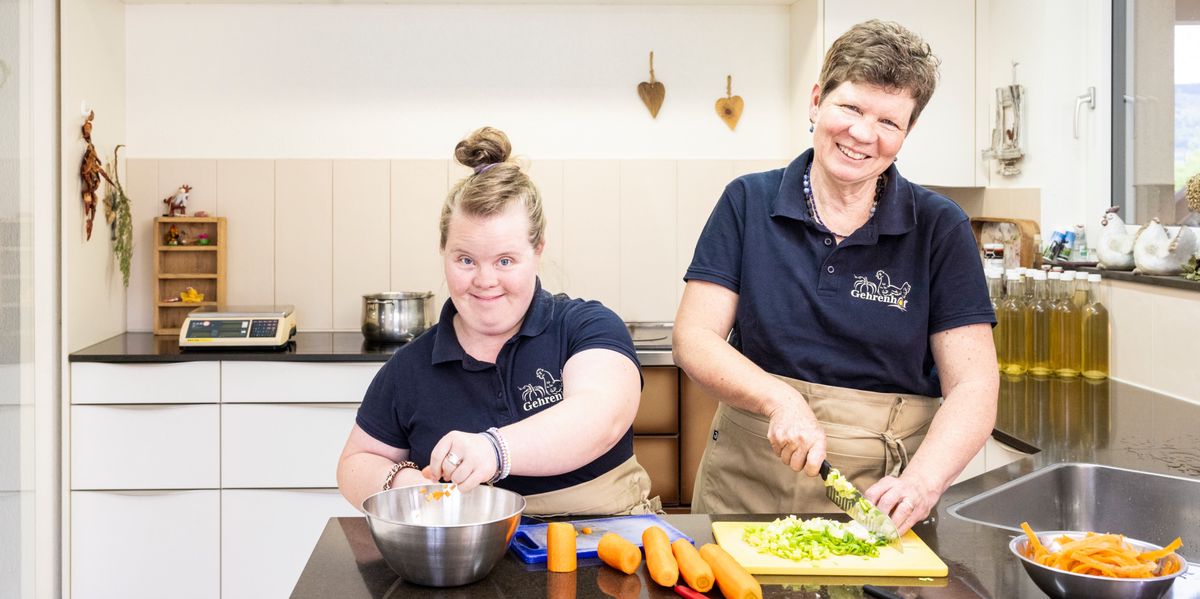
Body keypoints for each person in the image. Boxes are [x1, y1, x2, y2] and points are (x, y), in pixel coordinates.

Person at [675, 20, 998, 534]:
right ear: (816, 102)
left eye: (889, 122)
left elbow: (974, 385)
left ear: (906, 133)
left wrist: (922, 483)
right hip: (744, 481)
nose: (864, 134)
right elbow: (694, 338)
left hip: (878, 503)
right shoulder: (747, 202)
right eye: (850, 107)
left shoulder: (941, 227)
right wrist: (779, 399)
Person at [337, 127, 659, 516]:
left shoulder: (586, 328)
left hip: (605, 550)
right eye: (465, 260)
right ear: (444, 251)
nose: (485, 281)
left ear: (537, 249)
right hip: (467, 558)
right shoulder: (411, 367)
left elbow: (600, 416)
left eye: (505, 261)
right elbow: (356, 463)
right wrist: (404, 482)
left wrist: (494, 449)